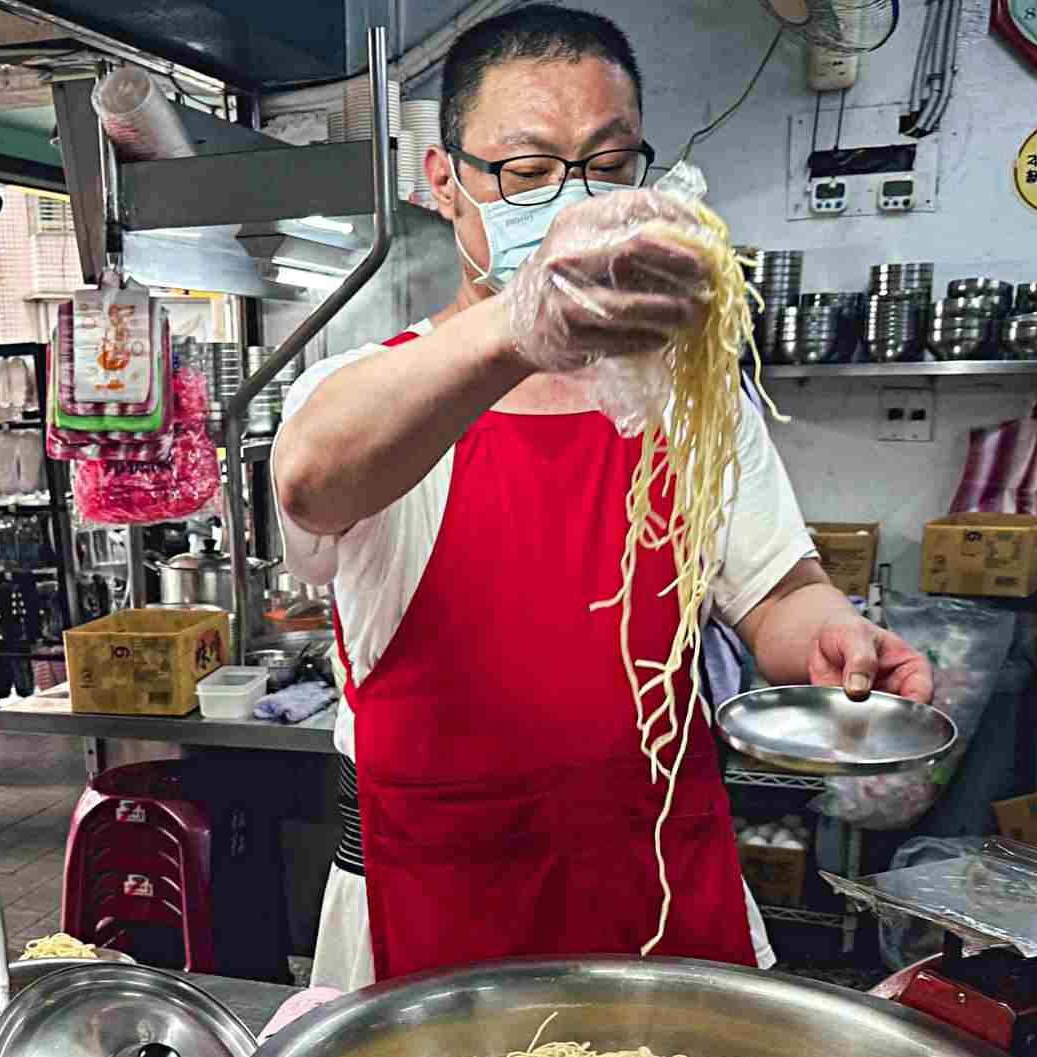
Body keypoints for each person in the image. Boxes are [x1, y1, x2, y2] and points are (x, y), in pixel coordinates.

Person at [274, 6, 933, 989]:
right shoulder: (384, 386)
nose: (572, 202)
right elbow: (313, 477)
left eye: (604, 164)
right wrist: (517, 328)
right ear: (444, 180)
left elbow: (773, 590)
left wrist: (834, 636)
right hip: (437, 892)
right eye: (528, 171)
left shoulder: (685, 387)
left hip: (658, 883)